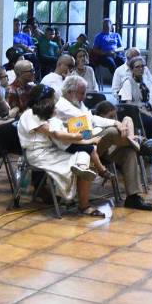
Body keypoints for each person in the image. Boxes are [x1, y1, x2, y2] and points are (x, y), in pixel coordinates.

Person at [56, 75, 152, 210]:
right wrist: (107, 128)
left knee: (128, 152)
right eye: (82, 93)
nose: (85, 96)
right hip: (80, 147)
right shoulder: (63, 107)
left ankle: (133, 197)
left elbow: (93, 119)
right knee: (112, 133)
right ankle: (138, 143)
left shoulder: (77, 102)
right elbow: (87, 130)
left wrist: (116, 122)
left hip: (97, 145)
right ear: (70, 92)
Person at [18, 85, 103, 216]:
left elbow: (65, 131)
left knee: (84, 153)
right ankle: (83, 203)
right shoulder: (30, 114)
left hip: (52, 150)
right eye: (52, 99)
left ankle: (80, 169)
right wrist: (87, 135)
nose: (54, 102)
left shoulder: (45, 113)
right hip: (39, 154)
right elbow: (57, 134)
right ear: (44, 100)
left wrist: (87, 135)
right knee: (85, 154)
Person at [91, 18, 124, 82]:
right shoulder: (99, 36)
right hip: (104, 56)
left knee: (122, 61)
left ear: (111, 26)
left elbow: (122, 48)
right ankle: (117, 81)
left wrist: (114, 51)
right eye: (104, 25)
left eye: (107, 25)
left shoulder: (116, 35)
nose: (105, 27)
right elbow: (94, 50)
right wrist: (106, 53)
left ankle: (125, 79)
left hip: (115, 54)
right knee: (110, 62)